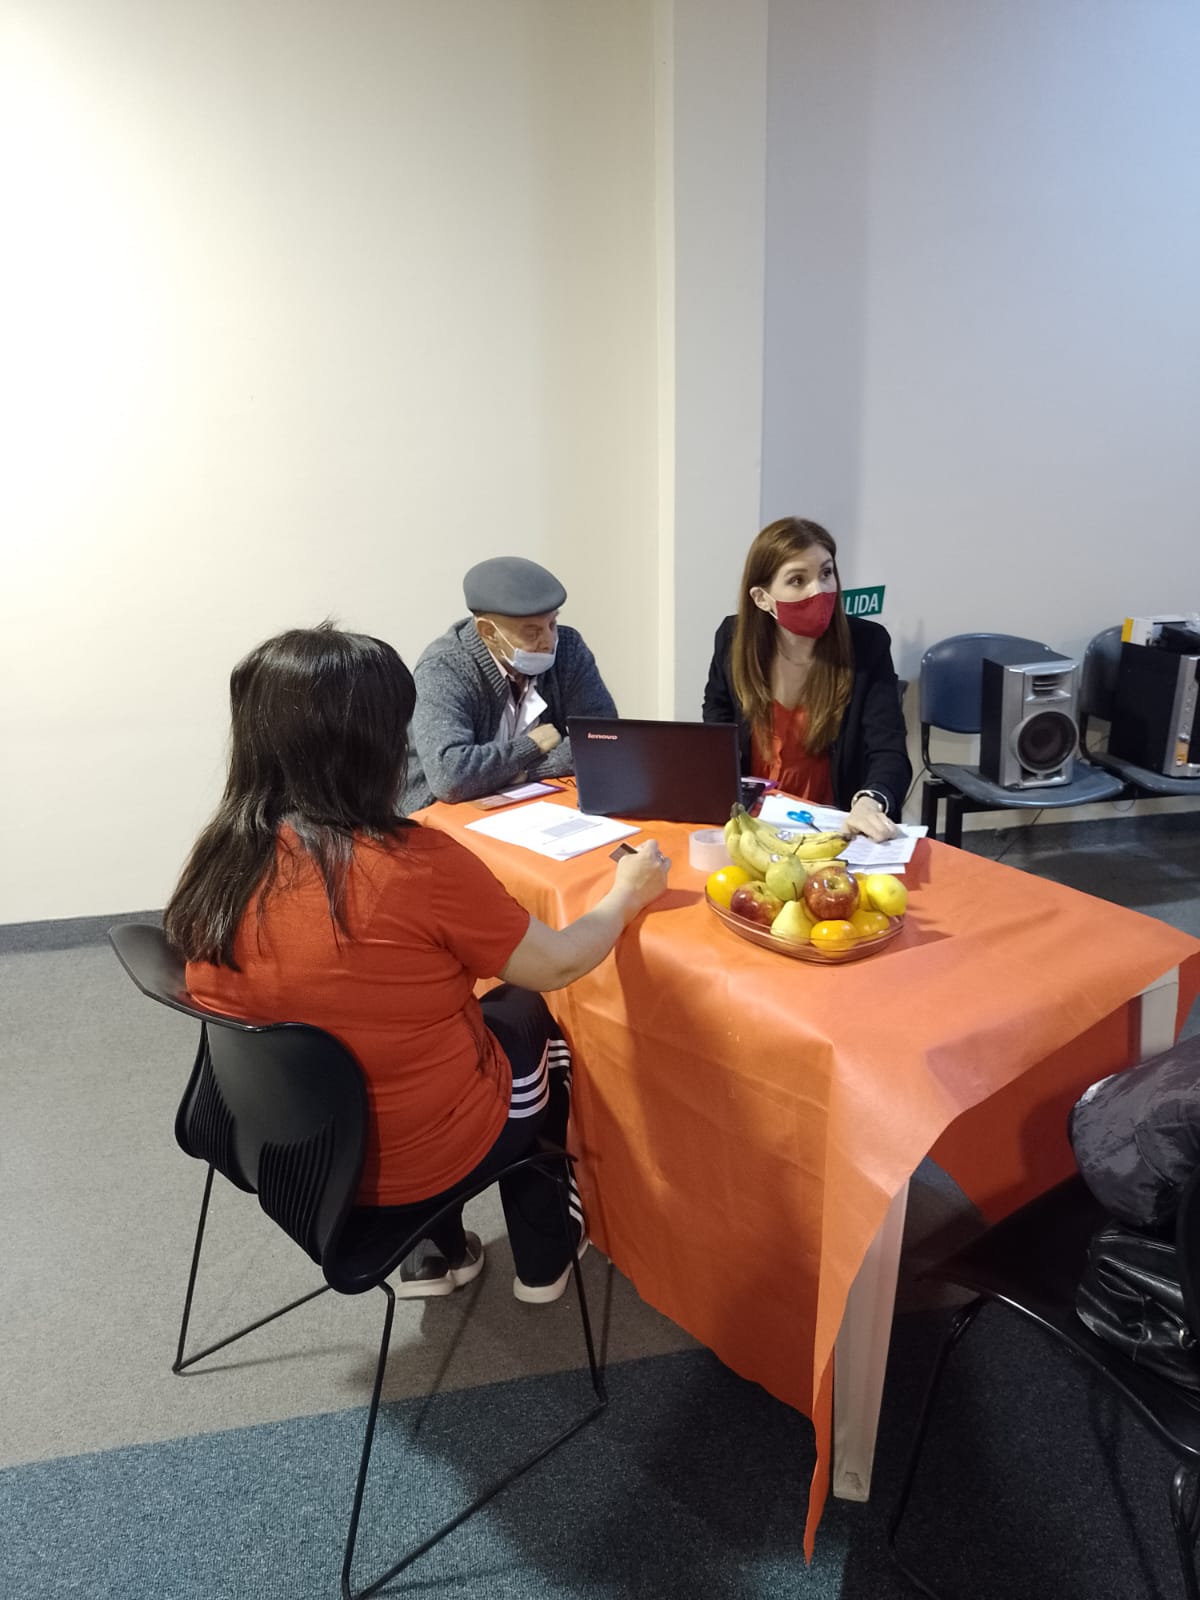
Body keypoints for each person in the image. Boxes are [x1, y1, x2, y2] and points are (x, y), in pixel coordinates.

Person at [165, 625, 669, 1304]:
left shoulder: (215, 861)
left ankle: (439, 1255)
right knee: (528, 1012)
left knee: (404, 1014)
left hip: (275, 1146)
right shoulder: (415, 865)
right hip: (413, 1164)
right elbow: (558, 964)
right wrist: (627, 894)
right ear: (373, 745)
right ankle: (545, 1249)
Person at [702, 518, 911, 841]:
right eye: (798, 580)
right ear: (762, 598)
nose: (819, 590)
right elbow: (717, 721)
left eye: (826, 573)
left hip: (833, 825)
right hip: (752, 821)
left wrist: (870, 801)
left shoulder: (867, 644)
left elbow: (889, 749)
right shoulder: (732, 638)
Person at [402, 556, 617, 812]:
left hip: (535, 799)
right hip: (441, 812)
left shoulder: (569, 649)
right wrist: (533, 744)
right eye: (532, 632)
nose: (549, 641)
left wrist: (523, 772)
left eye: (552, 624)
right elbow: (450, 777)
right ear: (488, 632)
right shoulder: (444, 667)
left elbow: (604, 742)